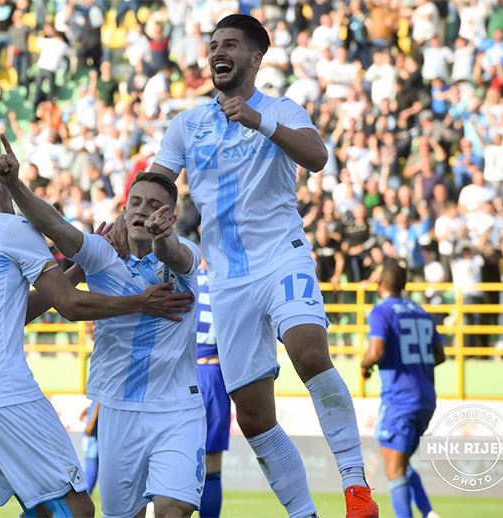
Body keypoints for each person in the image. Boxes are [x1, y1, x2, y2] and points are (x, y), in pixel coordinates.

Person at [125, 13, 377, 518]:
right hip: (226, 279)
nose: (219, 51)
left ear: (255, 58)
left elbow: (317, 155)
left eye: (232, 44)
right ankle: (304, 513)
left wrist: (258, 120)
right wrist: (131, 217)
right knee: (255, 414)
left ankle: (355, 488)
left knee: (308, 352)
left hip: (282, 256)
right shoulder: (187, 124)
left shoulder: (281, 109)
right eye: (214, 44)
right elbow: (156, 181)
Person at [0, 137, 193, 518]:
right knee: (78, 509)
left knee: (43, 509)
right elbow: (70, 307)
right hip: (2, 388)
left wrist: (78, 270)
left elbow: (16, 312)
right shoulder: (12, 229)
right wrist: (140, 302)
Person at [0, 166, 205, 518]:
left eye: (153, 205)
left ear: (169, 216)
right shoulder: (99, 254)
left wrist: (162, 237)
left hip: (177, 408)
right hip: (118, 408)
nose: (142, 210)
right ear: (123, 210)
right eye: (135, 202)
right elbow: (55, 224)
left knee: (173, 510)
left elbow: (174, 255)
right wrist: (14, 183)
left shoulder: (184, 251)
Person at [361, 262, 444, 518]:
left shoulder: (381, 311)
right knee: (401, 462)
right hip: (426, 398)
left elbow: (375, 351)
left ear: (381, 284)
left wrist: (364, 366)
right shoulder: (421, 311)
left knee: (394, 467)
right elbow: (440, 356)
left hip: (400, 397)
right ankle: (429, 513)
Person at [196, 257, 231, 518]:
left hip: (184, 373)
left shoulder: (184, 280)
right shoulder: (227, 283)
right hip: (216, 374)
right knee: (213, 465)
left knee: (171, 460)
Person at [80, 401, 99, 494]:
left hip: (93, 445)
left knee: (89, 478)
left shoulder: (97, 400)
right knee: (90, 479)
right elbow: (89, 430)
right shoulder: (97, 401)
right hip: (93, 446)